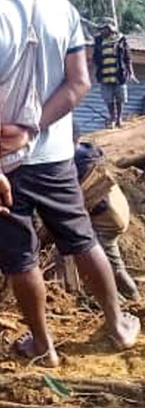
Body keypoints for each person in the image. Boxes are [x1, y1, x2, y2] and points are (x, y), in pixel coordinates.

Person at [0, 0, 138, 367]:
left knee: (20, 257)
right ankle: (117, 325)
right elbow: (79, 82)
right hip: (56, 154)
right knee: (81, 239)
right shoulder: (61, 7)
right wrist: (35, 125)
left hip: (6, 163)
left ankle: (43, 344)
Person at [73, 126, 140, 301]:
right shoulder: (88, 152)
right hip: (117, 209)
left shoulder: (75, 161)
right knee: (112, 261)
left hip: (108, 217)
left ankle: (128, 300)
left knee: (107, 264)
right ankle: (127, 298)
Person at [93, 17, 136, 128]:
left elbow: (127, 56)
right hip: (104, 75)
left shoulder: (121, 40)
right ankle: (112, 118)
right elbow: (95, 58)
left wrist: (130, 72)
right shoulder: (98, 41)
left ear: (110, 29)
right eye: (101, 29)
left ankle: (119, 119)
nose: (102, 31)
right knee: (108, 99)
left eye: (104, 29)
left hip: (118, 74)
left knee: (120, 98)